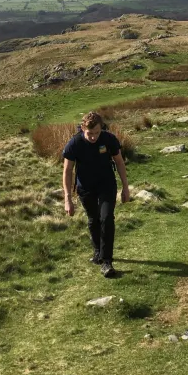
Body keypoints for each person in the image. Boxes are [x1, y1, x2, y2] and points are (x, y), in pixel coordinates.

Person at [63, 111, 130, 278]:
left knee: (107, 218)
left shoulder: (109, 139)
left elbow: (119, 162)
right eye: (89, 134)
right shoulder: (75, 143)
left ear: (102, 129)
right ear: (83, 129)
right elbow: (67, 171)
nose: (93, 137)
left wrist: (125, 188)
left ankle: (107, 261)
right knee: (93, 219)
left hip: (107, 185)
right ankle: (97, 251)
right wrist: (68, 199)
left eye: (97, 133)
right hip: (85, 188)